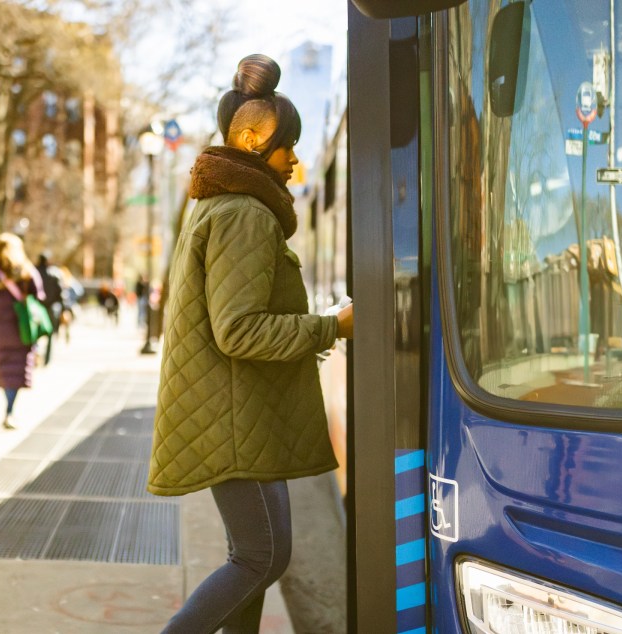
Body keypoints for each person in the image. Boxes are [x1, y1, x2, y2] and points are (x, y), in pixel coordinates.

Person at [147, 55, 353, 633]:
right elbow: (238, 329)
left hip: (239, 412)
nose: (295, 160)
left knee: (259, 557)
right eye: (288, 145)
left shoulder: (222, 205)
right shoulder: (245, 215)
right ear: (254, 141)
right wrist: (333, 325)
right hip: (232, 414)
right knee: (259, 557)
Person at [0, 233, 45, 430]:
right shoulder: (26, 271)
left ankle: (8, 407)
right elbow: (38, 297)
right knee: (19, 367)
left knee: (4, 366)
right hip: (22, 327)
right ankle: (10, 409)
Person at [34, 252, 65, 366]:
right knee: (50, 334)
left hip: (37, 307)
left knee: (35, 333)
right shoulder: (55, 274)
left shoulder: (33, 272)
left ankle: (35, 354)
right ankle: (46, 359)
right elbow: (60, 293)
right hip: (51, 308)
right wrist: (63, 309)